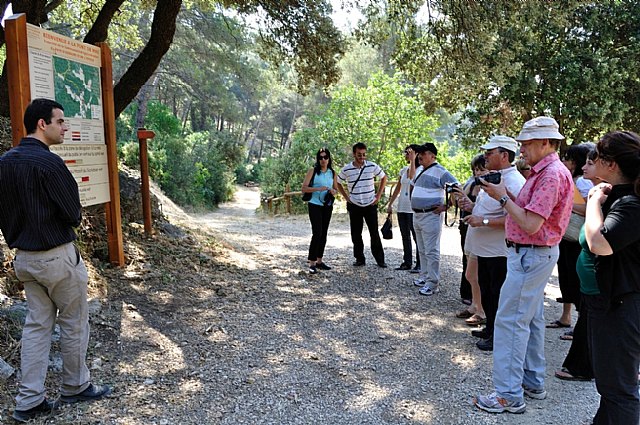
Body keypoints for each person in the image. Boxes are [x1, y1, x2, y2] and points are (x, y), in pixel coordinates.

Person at [0, 99, 112, 423]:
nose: (65, 128)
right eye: (60, 121)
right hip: (57, 258)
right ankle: (75, 385)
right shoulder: (51, 165)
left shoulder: (4, 163)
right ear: (41, 124)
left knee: (36, 328)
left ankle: (29, 401)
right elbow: (74, 214)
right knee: (74, 322)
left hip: (24, 260)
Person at [473, 116, 573, 414]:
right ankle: (532, 381)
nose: (522, 149)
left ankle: (508, 395)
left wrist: (502, 197)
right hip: (532, 254)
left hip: (530, 253)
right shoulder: (544, 172)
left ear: (545, 143)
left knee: (510, 322)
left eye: (526, 144)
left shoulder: (550, 175)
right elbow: (531, 212)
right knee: (528, 319)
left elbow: (530, 223)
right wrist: (507, 196)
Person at [584, 131, 640, 425]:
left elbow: (600, 244)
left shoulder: (631, 204)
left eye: (598, 156)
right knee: (610, 387)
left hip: (623, 306)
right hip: (609, 303)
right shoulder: (620, 197)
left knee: (620, 391)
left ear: (612, 163)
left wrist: (594, 200)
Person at [458, 136, 526, 352]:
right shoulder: (494, 177)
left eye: (490, 152)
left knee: (497, 293)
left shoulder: (514, 182)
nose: (485, 156)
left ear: (504, 156)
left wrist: (483, 221)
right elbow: (487, 207)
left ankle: (498, 337)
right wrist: (470, 206)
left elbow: (516, 218)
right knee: (486, 289)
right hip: (485, 249)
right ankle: (490, 329)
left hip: (499, 251)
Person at [555, 148, 602, 382]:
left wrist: (592, 203)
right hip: (593, 286)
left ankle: (583, 367)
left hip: (601, 285)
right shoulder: (598, 193)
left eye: (591, 163)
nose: (584, 168)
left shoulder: (609, 198)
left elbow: (600, 243)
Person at [548, 143, 594, 334]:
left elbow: (588, 208)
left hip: (576, 237)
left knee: (575, 280)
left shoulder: (583, 183)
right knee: (566, 277)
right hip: (566, 236)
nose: (565, 161)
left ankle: (579, 325)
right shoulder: (573, 179)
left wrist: (567, 205)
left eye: (569, 158)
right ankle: (566, 317)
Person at [407, 143, 458, 296]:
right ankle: (424, 276)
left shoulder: (441, 171)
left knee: (431, 250)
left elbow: (455, 187)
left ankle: (432, 283)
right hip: (418, 214)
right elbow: (412, 183)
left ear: (433, 156)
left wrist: (446, 206)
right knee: (422, 249)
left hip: (431, 215)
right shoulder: (421, 169)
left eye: (424, 153)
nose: (420, 156)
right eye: (419, 153)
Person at [337, 142, 388, 267]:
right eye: (359, 154)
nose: (362, 157)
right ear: (354, 154)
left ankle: (380, 260)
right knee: (356, 233)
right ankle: (359, 258)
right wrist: (346, 197)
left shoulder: (372, 166)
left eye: (364, 154)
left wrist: (378, 195)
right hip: (354, 204)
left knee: (374, 232)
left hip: (370, 204)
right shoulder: (347, 169)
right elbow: (338, 182)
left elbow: (383, 177)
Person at [455, 154, 486, 318]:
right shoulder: (473, 184)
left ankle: (481, 310)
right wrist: (464, 201)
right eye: (476, 170)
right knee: (470, 272)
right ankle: (475, 305)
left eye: (482, 169)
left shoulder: (492, 188)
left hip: (484, 235)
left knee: (479, 274)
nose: (478, 173)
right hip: (470, 230)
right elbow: (474, 207)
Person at [301, 147, 338, 274]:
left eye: (325, 157)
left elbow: (336, 190)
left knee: (324, 233)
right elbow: (304, 188)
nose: (323, 160)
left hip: (327, 205)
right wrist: (318, 189)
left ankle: (319, 261)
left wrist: (333, 191)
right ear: (318, 159)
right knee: (317, 232)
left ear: (329, 159)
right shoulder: (313, 171)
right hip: (314, 204)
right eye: (320, 157)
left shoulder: (332, 173)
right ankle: (311, 262)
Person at [386, 145, 421, 271]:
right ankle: (407, 261)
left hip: (413, 208)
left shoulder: (421, 169)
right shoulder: (403, 170)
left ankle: (420, 262)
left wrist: (413, 160)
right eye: (406, 153)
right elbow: (398, 187)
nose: (406, 155)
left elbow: (412, 177)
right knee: (404, 235)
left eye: (409, 153)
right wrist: (391, 203)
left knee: (416, 236)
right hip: (402, 206)